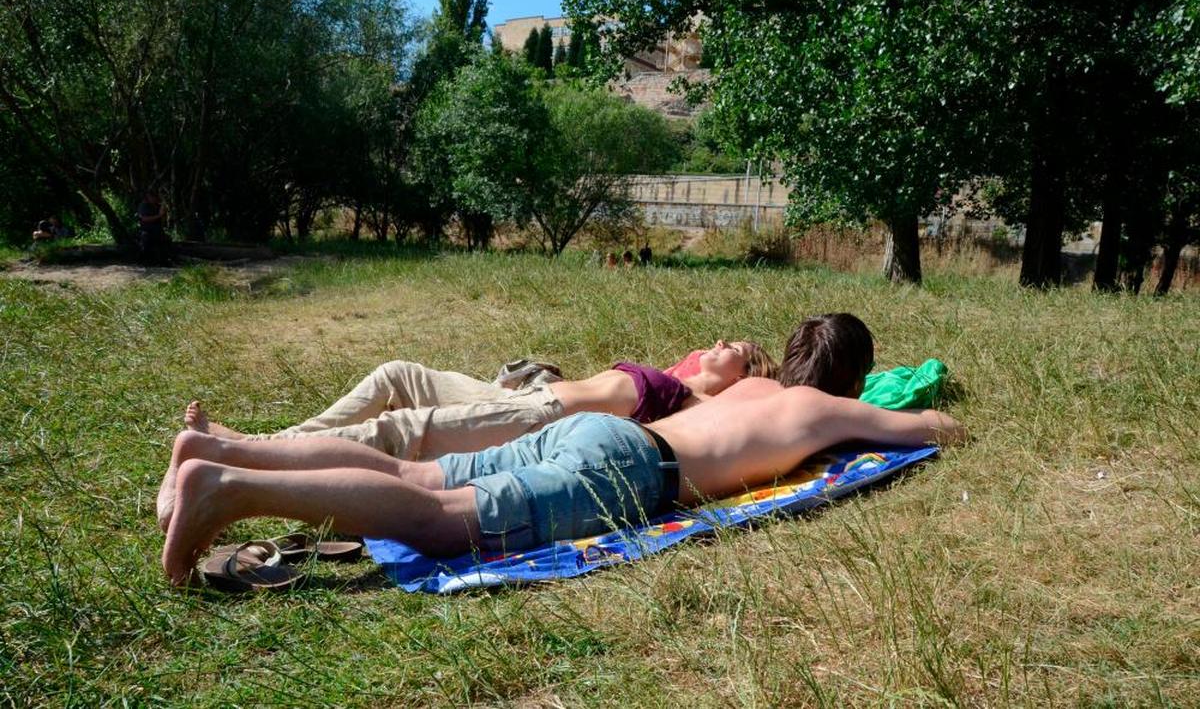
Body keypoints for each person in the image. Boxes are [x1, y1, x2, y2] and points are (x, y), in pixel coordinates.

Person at [159, 313, 965, 585]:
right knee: (439, 520)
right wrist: (911, 410)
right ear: (850, 379)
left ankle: (227, 458)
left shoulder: (748, 389)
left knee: (412, 469)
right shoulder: (824, 408)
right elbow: (927, 431)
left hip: (603, 436)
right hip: (630, 469)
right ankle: (229, 490)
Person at [159, 341, 779, 530]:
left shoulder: (697, 404)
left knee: (401, 432)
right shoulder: (675, 374)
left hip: (538, 421)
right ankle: (251, 443)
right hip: (518, 397)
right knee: (396, 374)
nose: (721, 344)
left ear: (746, 382)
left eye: (739, 352)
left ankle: (229, 461)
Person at [137, 190, 171, 265]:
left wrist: (163, 211)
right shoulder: (143, 206)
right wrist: (159, 215)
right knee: (146, 241)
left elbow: (163, 220)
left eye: (155, 197)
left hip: (157, 230)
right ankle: (145, 260)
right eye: (152, 197)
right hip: (146, 229)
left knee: (164, 240)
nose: (154, 199)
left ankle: (163, 260)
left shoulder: (158, 206)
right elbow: (144, 219)